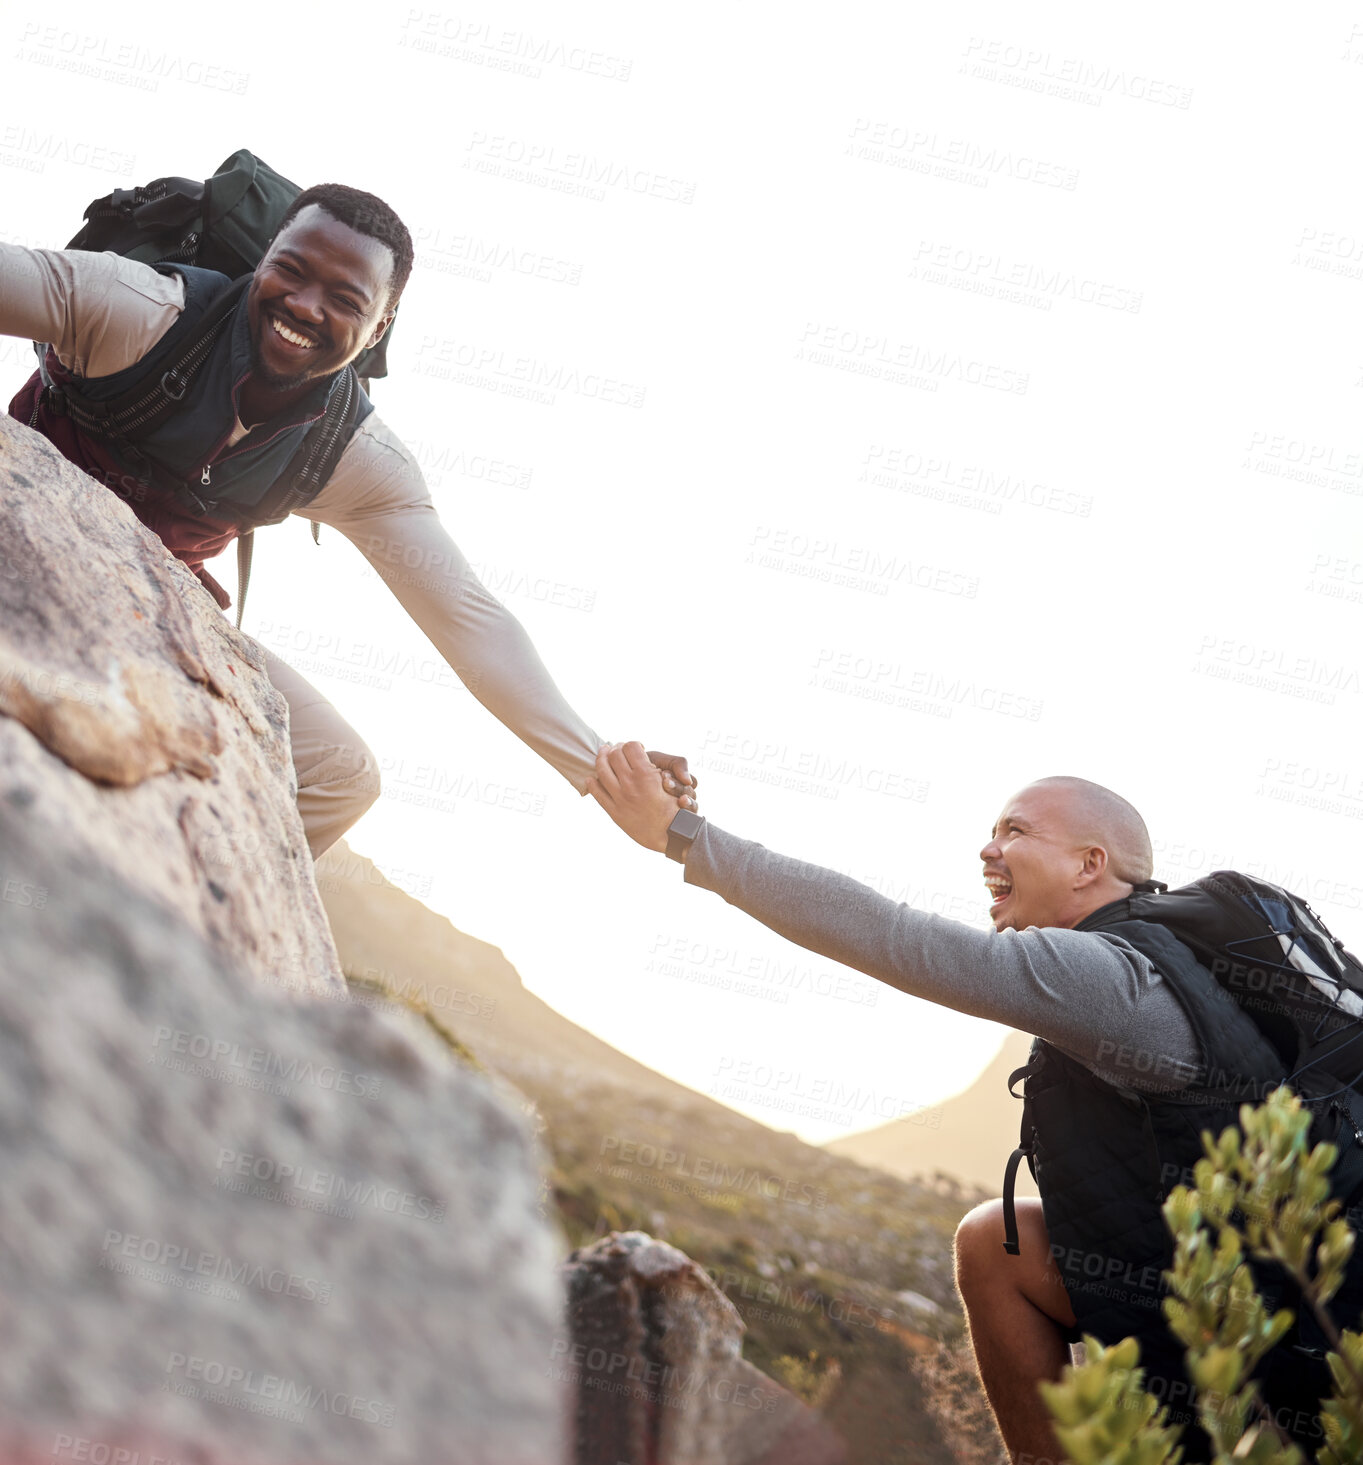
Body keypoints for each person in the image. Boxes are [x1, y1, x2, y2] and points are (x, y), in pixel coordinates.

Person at [587, 741, 1353, 1462]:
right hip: (1264, 1275)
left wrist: (685, 835)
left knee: (995, 1242)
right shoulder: (1174, 956)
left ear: (1090, 864)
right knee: (996, 1242)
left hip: (1282, 1327)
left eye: (1014, 831)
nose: (987, 849)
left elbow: (895, 938)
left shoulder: (1109, 977)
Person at [0, 185, 692, 857]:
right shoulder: (140, 309)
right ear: (266, 257)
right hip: (23, 523)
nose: (303, 306)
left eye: (345, 299)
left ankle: (151, 917)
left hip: (159, 603)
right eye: (292, 272)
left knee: (341, 773)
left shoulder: (353, 457)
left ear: (378, 328)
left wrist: (597, 764)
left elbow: (470, 620)